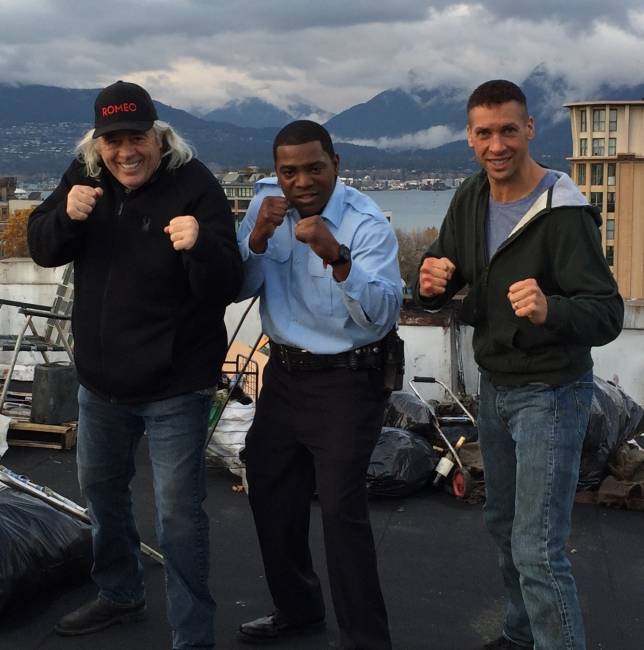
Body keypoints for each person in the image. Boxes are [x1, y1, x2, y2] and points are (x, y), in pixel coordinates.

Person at [28, 80, 242, 650]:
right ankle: (121, 594)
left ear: (158, 135)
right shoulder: (84, 177)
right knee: (101, 492)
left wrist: (199, 244)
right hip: (100, 382)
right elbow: (42, 247)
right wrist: (66, 217)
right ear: (98, 145)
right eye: (113, 140)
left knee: (177, 515)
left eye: (136, 138)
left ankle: (192, 637)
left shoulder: (195, 185)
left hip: (176, 383)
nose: (126, 152)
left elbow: (228, 282)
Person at [416, 80, 623, 650]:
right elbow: (446, 267)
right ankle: (519, 635)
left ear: (530, 129)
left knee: (538, 547)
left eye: (509, 130)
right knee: (503, 528)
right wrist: (431, 281)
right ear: (469, 137)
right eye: (484, 132)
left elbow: (606, 313)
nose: (497, 144)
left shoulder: (564, 211)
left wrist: (550, 309)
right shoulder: (470, 197)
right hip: (496, 387)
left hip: (551, 394)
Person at [235, 120, 401, 649]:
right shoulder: (265, 205)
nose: (301, 181)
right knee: (268, 488)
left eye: (314, 168)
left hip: (349, 379)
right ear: (276, 172)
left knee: (340, 512)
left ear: (336, 165)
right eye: (289, 171)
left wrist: (338, 257)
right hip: (284, 374)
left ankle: (366, 641)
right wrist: (256, 239)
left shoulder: (366, 222)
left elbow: (382, 315)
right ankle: (299, 608)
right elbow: (235, 287)